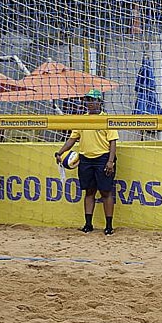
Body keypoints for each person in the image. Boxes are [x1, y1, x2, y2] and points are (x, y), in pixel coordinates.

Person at [55, 89, 118, 235]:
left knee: (106, 192)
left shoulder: (106, 119)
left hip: (103, 158)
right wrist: (60, 152)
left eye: (92, 100)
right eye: (87, 100)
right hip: (85, 159)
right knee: (89, 192)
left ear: (99, 102)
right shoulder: (82, 119)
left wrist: (110, 161)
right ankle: (88, 224)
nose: (89, 103)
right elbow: (72, 139)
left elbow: (113, 142)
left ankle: (109, 226)